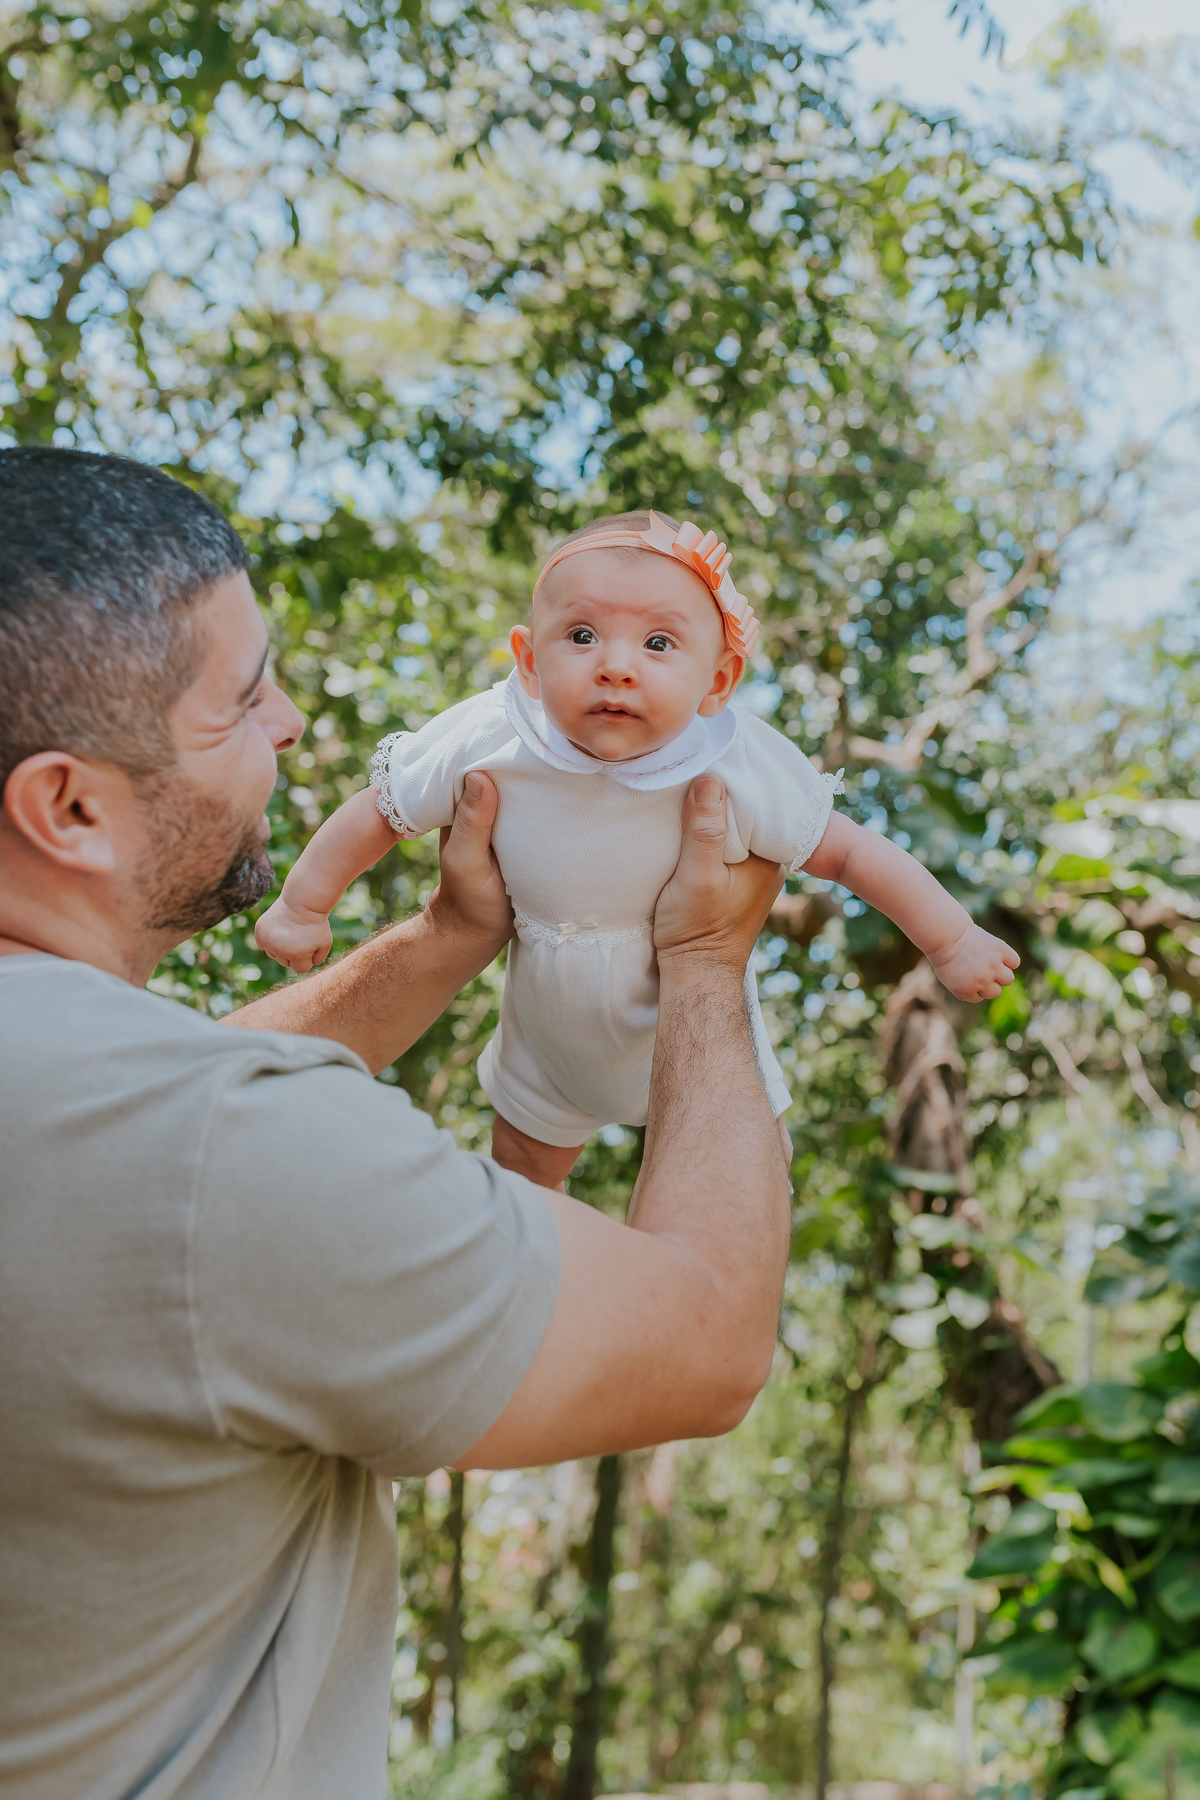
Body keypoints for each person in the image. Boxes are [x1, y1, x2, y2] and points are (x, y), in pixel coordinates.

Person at [0, 448, 790, 1800]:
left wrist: (445, 938)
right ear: (67, 805)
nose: (294, 721)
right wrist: (710, 962)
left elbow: (150, 1117)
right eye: (243, 700)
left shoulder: (101, 1112)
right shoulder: (217, 1163)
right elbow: (710, 1336)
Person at [257, 508, 1020, 1189]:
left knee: (744, 1171)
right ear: (528, 659)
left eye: (659, 643)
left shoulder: (736, 760)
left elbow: (850, 854)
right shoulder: (492, 736)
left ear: (717, 681)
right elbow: (382, 811)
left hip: (693, 1025)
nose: (615, 664)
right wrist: (303, 903)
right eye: (582, 635)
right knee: (520, 1174)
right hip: (547, 1028)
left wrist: (950, 939)